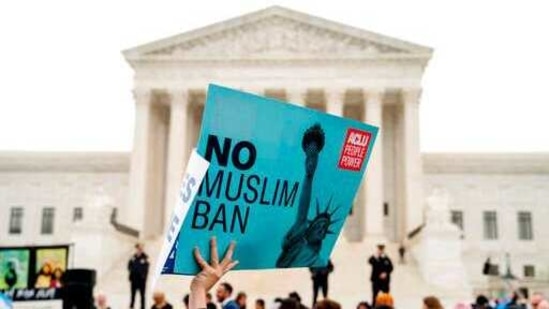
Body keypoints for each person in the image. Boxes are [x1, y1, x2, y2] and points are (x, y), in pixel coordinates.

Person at [189, 237, 239, 309]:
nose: (216, 294)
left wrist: (199, 289)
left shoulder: (231, 306)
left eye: (219, 292)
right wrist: (199, 289)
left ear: (227, 292)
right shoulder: (227, 305)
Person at [128, 242, 150, 309]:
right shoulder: (133, 257)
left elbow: (146, 268)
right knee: (133, 295)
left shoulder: (146, 257)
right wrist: (134, 270)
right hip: (134, 279)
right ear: (136, 248)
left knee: (142, 295)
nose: (140, 249)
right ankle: (131, 306)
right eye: (139, 248)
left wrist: (140, 272)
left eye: (141, 248)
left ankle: (142, 307)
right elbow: (129, 266)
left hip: (141, 280)